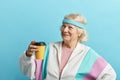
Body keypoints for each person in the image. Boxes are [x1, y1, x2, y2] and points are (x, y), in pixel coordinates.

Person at [19, 13, 116, 80]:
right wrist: (28, 55)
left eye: (70, 27)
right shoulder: (49, 49)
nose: (65, 30)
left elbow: (110, 74)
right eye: (64, 26)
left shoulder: (87, 54)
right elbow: (29, 72)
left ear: (79, 32)